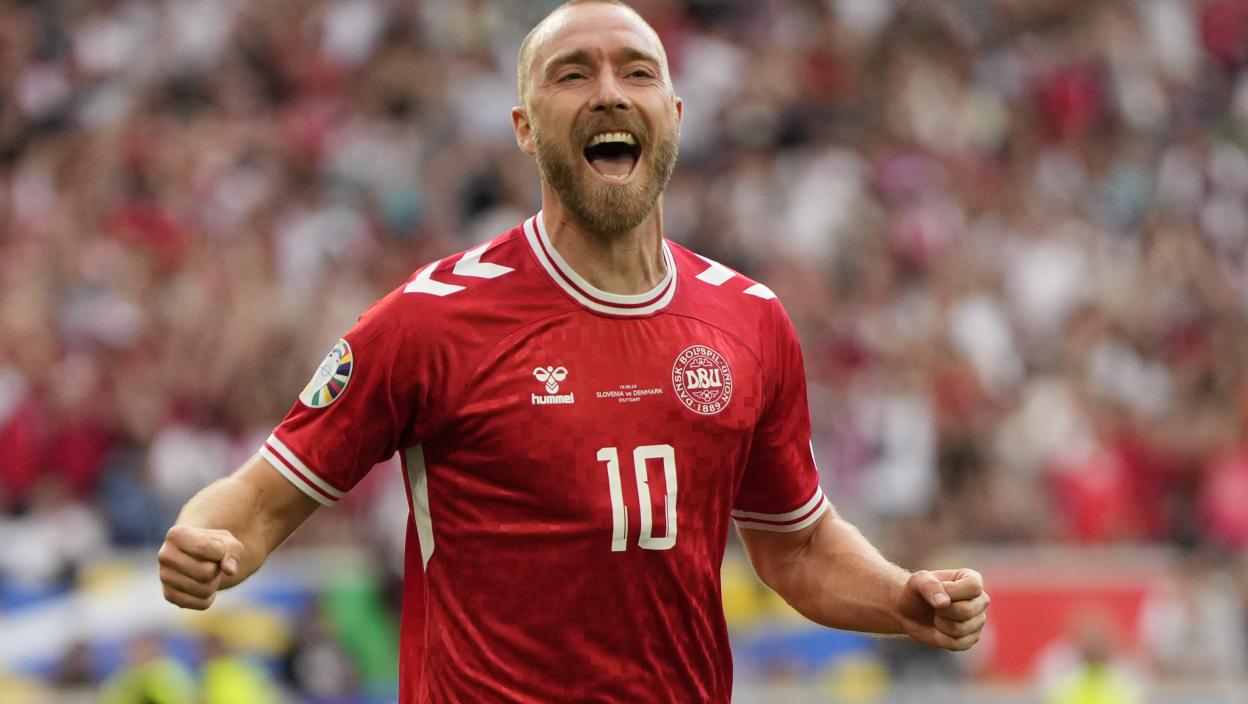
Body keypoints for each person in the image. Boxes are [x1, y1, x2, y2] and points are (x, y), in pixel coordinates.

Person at [157, 1, 990, 700]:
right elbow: (259, 500)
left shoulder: (751, 322)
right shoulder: (432, 321)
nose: (609, 93)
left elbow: (798, 547)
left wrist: (899, 597)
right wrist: (207, 541)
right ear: (525, 128)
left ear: (675, 115)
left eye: (637, 72)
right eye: (572, 74)